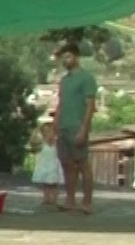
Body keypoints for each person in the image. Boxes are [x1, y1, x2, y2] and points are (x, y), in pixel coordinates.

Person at [53, 44, 98, 214]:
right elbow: (61, 104)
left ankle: (87, 202)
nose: (66, 60)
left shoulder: (86, 78)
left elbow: (90, 105)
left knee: (82, 164)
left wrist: (83, 129)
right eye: (63, 57)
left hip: (77, 126)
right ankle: (70, 200)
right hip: (63, 127)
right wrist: (55, 124)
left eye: (69, 56)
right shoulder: (64, 80)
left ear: (77, 57)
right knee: (67, 164)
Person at [31, 119, 63, 207]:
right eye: (44, 131)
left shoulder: (54, 142)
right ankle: (46, 198)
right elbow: (33, 142)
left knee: (53, 185)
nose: (47, 133)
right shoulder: (41, 143)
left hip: (52, 166)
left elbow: (51, 140)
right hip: (44, 165)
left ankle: (54, 199)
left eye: (49, 131)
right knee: (45, 184)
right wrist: (37, 129)